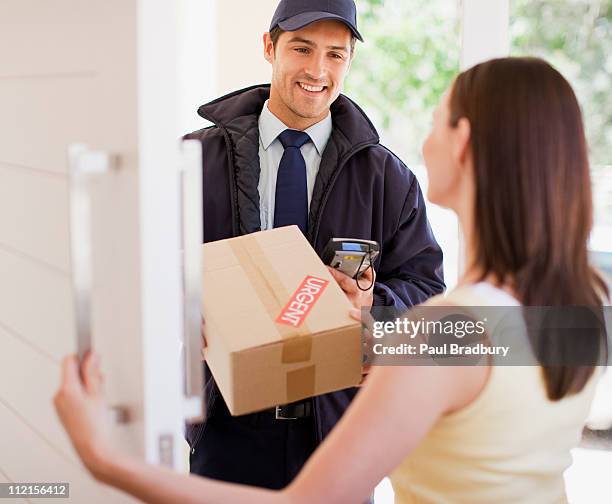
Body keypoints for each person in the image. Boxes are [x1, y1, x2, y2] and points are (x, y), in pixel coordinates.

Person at [55, 57, 609, 503]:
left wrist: (102, 456)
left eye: (437, 119)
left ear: (462, 142)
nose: (423, 142)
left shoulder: (443, 333)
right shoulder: (579, 308)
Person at [179, 0, 444, 491]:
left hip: (339, 432)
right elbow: (147, 270)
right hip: (225, 424)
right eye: (302, 49)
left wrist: (373, 305)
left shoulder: (388, 178)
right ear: (269, 47)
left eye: (335, 55)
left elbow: (425, 289)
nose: (317, 70)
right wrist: (184, 308)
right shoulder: (193, 161)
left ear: (350, 61)